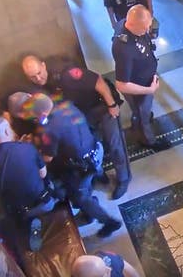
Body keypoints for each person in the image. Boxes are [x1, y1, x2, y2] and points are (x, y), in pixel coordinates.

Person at [21, 56, 131, 200]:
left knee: (115, 143)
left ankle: (124, 178)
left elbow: (97, 80)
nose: (38, 78)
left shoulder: (66, 73)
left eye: (39, 73)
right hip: (82, 113)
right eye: (33, 77)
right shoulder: (36, 88)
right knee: (92, 143)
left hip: (101, 105)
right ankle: (100, 174)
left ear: (43, 65)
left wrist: (111, 104)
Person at [22, 93, 122, 238]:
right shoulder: (66, 105)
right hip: (96, 149)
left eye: (35, 116)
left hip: (83, 166)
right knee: (89, 181)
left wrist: (31, 148)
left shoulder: (49, 129)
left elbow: (48, 157)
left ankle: (109, 222)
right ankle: (97, 192)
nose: (36, 120)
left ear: (43, 113)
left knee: (81, 197)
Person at [0, 116, 57, 251]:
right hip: (44, 203)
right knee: (51, 182)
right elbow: (43, 174)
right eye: (9, 128)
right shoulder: (27, 148)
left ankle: (29, 228)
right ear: (6, 131)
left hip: (18, 211)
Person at [112, 5, 171, 151]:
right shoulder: (123, 49)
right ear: (131, 24)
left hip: (146, 79)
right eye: (144, 28)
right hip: (139, 88)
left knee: (143, 111)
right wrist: (148, 90)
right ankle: (148, 140)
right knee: (142, 113)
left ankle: (140, 118)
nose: (146, 31)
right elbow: (121, 84)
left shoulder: (130, 25)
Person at [72, 252, 139, 277]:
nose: (109, 269)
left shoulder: (111, 260)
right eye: (104, 273)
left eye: (104, 265)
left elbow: (131, 271)